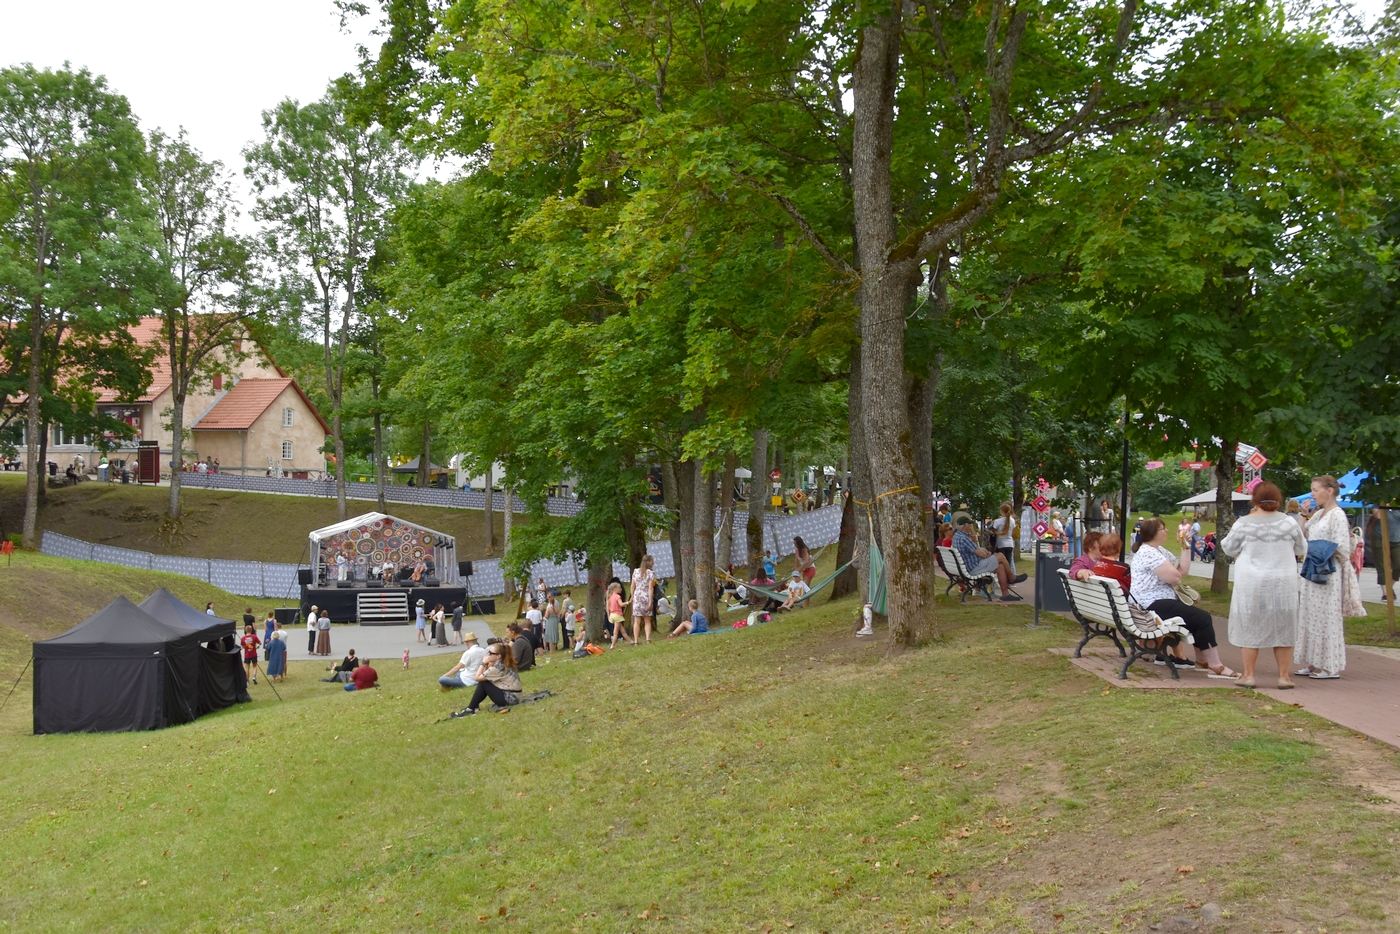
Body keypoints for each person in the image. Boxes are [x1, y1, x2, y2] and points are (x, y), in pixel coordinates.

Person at [1219, 482, 1307, 689]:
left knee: (1250, 626)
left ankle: (1249, 675)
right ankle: (1284, 677)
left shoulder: (1243, 523)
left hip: (1251, 583)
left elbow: (1228, 547)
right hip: (1282, 582)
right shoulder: (1289, 523)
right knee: (1284, 627)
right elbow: (1301, 548)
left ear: (1255, 500)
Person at [1129, 518, 1237, 678]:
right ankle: (1215, 665)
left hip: (1155, 603)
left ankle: (1202, 661)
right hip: (1151, 605)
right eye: (1162, 529)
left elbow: (1182, 571)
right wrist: (1176, 576)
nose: (1166, 531)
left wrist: (1185, 547)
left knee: (1196, 618)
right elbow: (1175, 578)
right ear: (1153, 533)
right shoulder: (1148, 553)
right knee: (1202, 618)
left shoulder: (1158, 550)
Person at [1296, 475, 1365, 680]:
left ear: (1329, 491)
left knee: (1326, 615)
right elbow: (1301, 535)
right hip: (1313, 567)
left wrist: (1317, 549)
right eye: (1312, 489)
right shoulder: (1318, 514)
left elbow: (1342, 547)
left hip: (1328, 569)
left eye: (1316, 490)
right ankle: (1313, 660)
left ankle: (1330, 665)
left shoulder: (1337, 515)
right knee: (1310, 613)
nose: (1312, 494)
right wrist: (1304, 515)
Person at [952, 517, 1027, 601]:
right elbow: (980, 553)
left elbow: (974, 550)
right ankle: (1012, 578)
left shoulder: (957, 536)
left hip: (967, 566)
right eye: (969, 524)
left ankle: (1006, 594)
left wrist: (984, 553)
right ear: (964, 525)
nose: (970, 526)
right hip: (974, 567)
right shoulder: (964, 538)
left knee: (1000, 566)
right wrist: (987, 555)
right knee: (1000, 556)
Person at [449, 641, 523, 716]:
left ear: (498, 656)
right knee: (484, 681)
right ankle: (474, 707)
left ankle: (470, 709)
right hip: (515, 697)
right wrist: (487, 664)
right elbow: (484, 675)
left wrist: (483, 663)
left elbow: (477, 678)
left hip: (510, 699)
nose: (488, 655)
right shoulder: (503, 663)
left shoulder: (497, 668)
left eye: (491, 653)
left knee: (483, 683)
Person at [1368, 506, 1400, 603]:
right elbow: (1378, 515)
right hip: (1379, 538)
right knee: (1382, 566)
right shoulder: (1379, 502)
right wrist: (1386, 505)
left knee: (1398, 565)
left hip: (1396, 539)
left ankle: (1389, 587)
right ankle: (1386, 593)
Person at [630, 554, 658, 645]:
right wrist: (650, 601)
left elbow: (632, 586)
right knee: (647, 620)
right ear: (648, 562)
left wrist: (632, 596)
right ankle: (648, 639)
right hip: (646, 596)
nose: (653, 563)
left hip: (637, 596)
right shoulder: (650, 573)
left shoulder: (636, 571)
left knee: (637, 621)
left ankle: (636, 641)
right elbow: (650, 588)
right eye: (652, 561)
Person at [991, 503, 1017, 570]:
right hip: (1010, 544)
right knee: (1008, 564)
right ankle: (1010, 575)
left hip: (1001, 544)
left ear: (1002, 511)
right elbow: (1013, 533)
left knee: (1002, 564)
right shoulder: (1012, 521)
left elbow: (993, 532)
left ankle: (1004, 576)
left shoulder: (997, 521)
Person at [606, 582, 632, 648]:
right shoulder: (617, 597)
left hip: (612, 615)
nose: (621, 589)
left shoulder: (610, 597)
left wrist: (609, 616)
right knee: (615, 632)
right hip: (617, 615)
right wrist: (628, 602)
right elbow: (621, 604)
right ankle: (612, 645)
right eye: (619, 588)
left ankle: (631, 641)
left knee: (622, 630)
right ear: (615, 589)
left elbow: (608, 608)